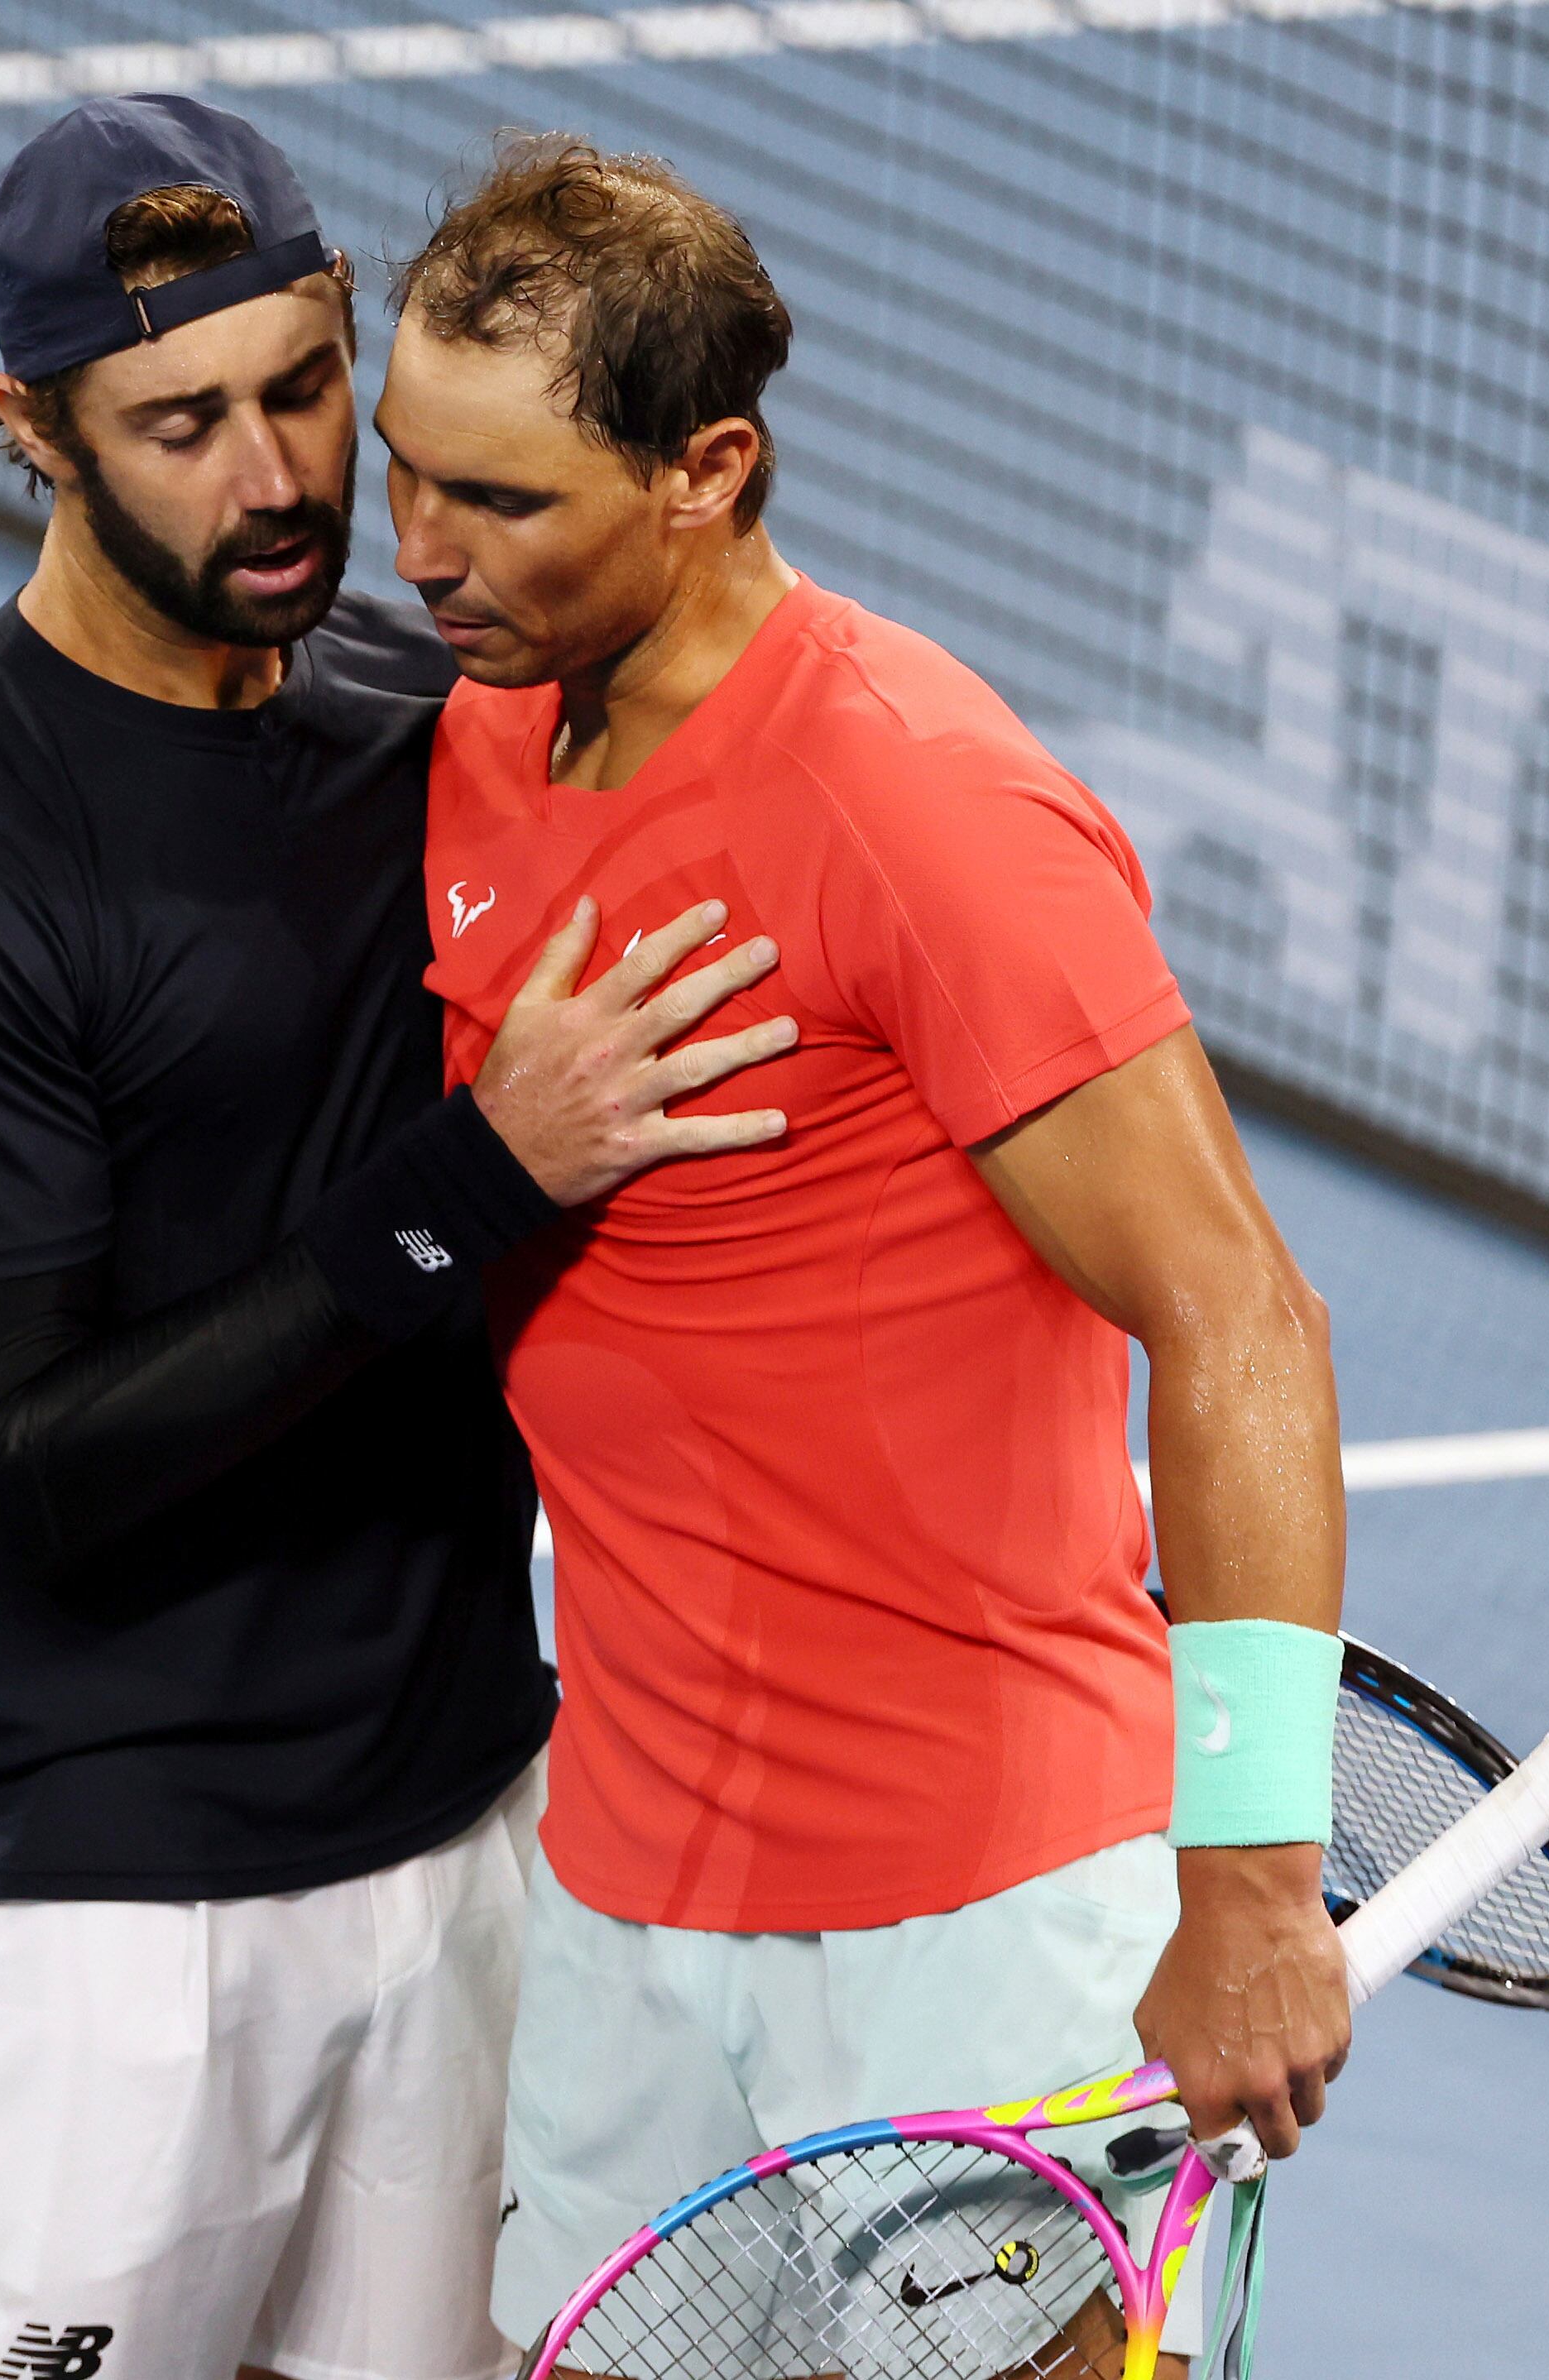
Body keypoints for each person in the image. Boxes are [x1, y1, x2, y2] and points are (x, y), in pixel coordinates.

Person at [0, 98, 793, 2380]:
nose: (278, 477)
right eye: (179, 420)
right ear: (26, 426)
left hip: (459, 1852)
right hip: (101, 1935)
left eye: (302, 385)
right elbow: (30, 1465)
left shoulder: (443, 726)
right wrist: (470, 1182)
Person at [378, 137, 1356, 2371]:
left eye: (505, 503)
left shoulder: (917, 804)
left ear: (704, 471)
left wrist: (1248, 1889)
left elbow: (1240, 1318)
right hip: (628, 1886)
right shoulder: (478, 742)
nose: (425, 553)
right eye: (406, 479)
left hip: (977, 1917)